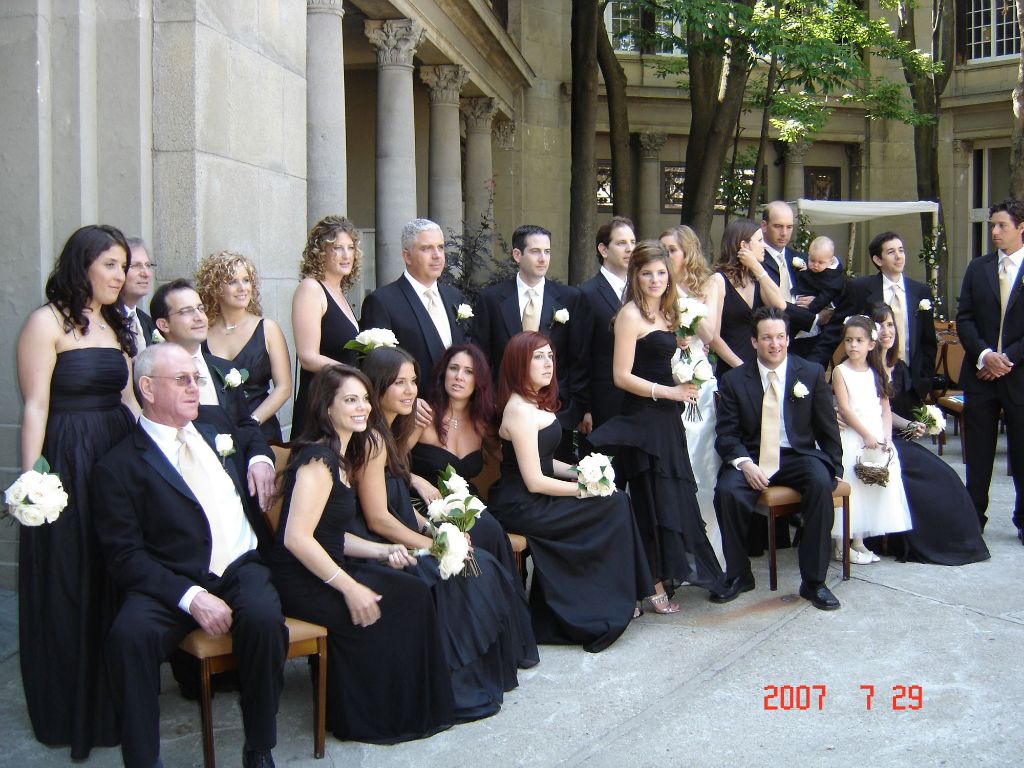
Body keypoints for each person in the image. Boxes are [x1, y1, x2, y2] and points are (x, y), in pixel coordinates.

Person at [92, 343, 287, 768]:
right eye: (181, 380)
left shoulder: (214, 422)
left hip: (240, 565)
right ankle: (144, 760)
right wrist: (191, 597)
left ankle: (259, 747)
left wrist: (258, 457)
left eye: (195, 379)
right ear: (147, 388)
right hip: (173, 578)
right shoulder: (118, 466)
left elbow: (249, 428)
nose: (194, 388)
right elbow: (124, 556)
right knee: (128, 637)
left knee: (264, 620)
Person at [269, 364, 456, 743]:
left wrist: (384, 550)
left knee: (415, 591)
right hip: (303, 581)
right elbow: (297, 539)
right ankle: (368, 716)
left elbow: (331, 535)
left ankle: (406, 707)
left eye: (365, 399)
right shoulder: (317, 461)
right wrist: (350, 588)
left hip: (329, 565)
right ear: (327, 407)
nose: (363, 408)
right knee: (402, 600)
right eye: (351, 400)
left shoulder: (341, 455)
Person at [354, 346, 538, 721]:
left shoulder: (478, 422)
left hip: (430, 513)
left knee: (489, 538)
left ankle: (505, 646)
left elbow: (390, 478)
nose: (459, 377)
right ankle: (461, 666)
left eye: (412, 381)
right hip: (407, 516)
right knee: (479, 554)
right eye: (453, 369)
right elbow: (390, 484)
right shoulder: (402, 424)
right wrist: (432, 532)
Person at [15, 224, 139, 759]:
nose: (120, 275)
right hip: (67, 456)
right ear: (81, 264)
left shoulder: (118, 323)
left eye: (123, 266)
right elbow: (34, 406)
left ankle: (113, 698)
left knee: (113, 570)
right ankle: (68, 703)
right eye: (110, 264)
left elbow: (131, 399)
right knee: (69, 571)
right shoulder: (45, 322)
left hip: (115, 456)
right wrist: (32, 481)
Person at [487, 332, 653, 651]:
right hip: (522, 504)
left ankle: (612, 597)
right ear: (519, 363)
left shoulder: (533, 402)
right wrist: (584, 489)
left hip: (537, 496)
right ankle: (600, 604)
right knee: (613, 505)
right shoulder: (518, 410)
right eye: (538, 357)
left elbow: (547, 462)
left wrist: (587, 473)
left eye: (550, 356)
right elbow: (535, 480)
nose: (548, 363)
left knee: (615, 498)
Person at [588, 241, 728, 610]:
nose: (654, 279)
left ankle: (661, 574)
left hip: (668, 420)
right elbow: (621, 376)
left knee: (670, 500)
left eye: (661, 273)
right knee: (648, 503)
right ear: (635, 275)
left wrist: (684, 356)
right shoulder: (630, 315)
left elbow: (680, 354)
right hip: (644, 419)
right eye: (647, 273)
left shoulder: (670, 312)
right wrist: (669, 391)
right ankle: (648, 584)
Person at [713, 307, 843, 610]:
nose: (775, 344)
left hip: (797, 455)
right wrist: (745, 464)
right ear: (754, 341)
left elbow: (827, 427)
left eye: (780, 337)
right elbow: (727, 435)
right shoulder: (734, 380)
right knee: (727, 491)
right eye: (767, 338)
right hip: (753, 456)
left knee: (820, 482)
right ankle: (739, 574)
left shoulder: (809, 373)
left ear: (788, 339)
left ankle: (814, 582)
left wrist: (835, 466)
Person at [869, 303, 989, 565]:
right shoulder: (865, 368)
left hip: (896, 440)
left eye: (890, 324)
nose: (887, 331)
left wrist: (921, 422)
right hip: (873, 441)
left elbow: (904, 409)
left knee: (944, 475)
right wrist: (906, 425)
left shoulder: (898, 366)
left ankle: (959, 537)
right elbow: (876, 412)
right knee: (924, 479)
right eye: (880, 326)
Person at [149, 279, 277, 516]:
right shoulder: (152, 377)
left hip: (236, 495)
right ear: (163, 324)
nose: (199, 317)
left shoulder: (226, 369)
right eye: (186, 311)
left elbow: (245, 424)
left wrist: (259, 458)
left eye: (200, 308)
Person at [472, 224, 590, 457]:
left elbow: (579, 358)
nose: (543, 258)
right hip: (504, 409)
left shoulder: (570, 298)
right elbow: (482, 357)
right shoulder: (491, 299)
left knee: (555, 470)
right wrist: (491, 403)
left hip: (557, 410)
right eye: (535, 251)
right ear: (518, 255)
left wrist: (572, 408)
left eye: (547, 251)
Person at [408, 343, 519, 576]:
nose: (459, 377)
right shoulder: (424, 415)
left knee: (493, 532)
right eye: (454, 368)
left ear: (479, 381)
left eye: (469, 372)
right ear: (443, 373)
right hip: (423, 503)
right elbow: (389, 463)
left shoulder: (483, 422)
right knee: (471, 536)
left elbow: (506, 456)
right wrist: (416, 480)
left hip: (465, 503)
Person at [955, 198, 1024, 539]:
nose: (994, 231)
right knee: (978, 452)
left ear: (1021, 227)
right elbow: (964, 318)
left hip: (1018, 375)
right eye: (992, 225)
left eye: (1001, 225)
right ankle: (973, 519)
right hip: (980, 375)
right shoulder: (977, 267)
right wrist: (984, 355)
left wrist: (1005, 360)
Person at [810, 231, 937, 401]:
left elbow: (928, 342)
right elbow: (833, 332)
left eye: (901, 250)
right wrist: (811, 370)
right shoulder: (859, 289)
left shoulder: (921, 292)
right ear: (878, 260)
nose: (899, 256)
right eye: (891, 252)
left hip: (911, 384)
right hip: (869, 380)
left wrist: (924, 381)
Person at [831, 314, 912, 563]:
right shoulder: (840, 371)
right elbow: (845, 408)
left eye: (859, 340)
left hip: (876, 437)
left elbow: (885, 408)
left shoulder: (877, 372)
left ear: (871, 344)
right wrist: (865, 433)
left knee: (870, 487)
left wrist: (886, 436)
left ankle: (859, 541)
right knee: (852, 487)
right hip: (853, 436)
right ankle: (841, 544)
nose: (853, 345)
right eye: (848, 340)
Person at [359, 218, 467, 400]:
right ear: (407, 256)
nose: (437, 255)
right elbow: (376, 369)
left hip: (456, 407)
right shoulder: (381, 302)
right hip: (411, 410)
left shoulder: (455, 297)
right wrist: (410, 401)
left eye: (440, 247)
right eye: (426, 248)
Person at [196, 250, 292, 442]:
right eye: (232, 282)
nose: (242, 288)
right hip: (215, 433)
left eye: (246, 280)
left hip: (260, 430)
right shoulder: (202, 332)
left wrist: (252, 423)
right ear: (215, 287)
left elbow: (284, 387)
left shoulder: (268, 329)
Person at [292, 215, 362, 437]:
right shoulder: (311, 289)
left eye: (350, 248)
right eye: (337, 248)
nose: (346, 255)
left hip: (342, 402)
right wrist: (355, 374)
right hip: (320, 404)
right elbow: (307, 357)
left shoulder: (339, 292)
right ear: (320, 252)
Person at [706, 218, 787, 376]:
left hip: (762, 366)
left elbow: (780, 305)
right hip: (732, 368)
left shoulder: (757, 278)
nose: (764, 246)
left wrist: (757, 268)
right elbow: (713, 336)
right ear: (744, 245)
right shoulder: (717, 281)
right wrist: (741, 368)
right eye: (760, 240)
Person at [577, 216, 634, 434]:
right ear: (603, 250)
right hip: (603, 403)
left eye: (632, 242)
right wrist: (585, 408)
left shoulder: (642, 292)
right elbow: (580, 355)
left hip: (639, 401)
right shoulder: (586, 294)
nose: (629, 249)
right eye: (621, 243)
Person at [760, 201, 820, 355]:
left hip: (805, 345)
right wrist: (814, 318)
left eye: (789, 227)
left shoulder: (802, 259)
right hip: (769, 343)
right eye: (778, 226)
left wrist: (818, 303)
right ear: (764, 226)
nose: (784, 233)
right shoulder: (756, 261)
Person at [793, 236, 845, 322]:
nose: (815, 265)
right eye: (812, 260)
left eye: (820, 262)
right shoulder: (806, 262)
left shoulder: (833, 279)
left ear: (831, 261)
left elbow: (825, 298)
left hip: (812, 310)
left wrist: (812, 306)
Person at [122, 236, 157, 355]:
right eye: (136, 266)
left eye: (148, 265)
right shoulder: (103, 320)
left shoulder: (148, 323)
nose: (146, 273)